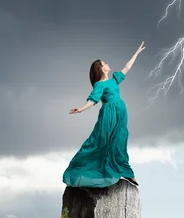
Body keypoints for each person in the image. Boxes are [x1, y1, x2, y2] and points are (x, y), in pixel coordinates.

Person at [62, 41, 146, 188]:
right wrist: (81, 108)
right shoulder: (99, 85)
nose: (107, 64)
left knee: (120, 139)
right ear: (100, 68)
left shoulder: (114, 80)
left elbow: (127, 67)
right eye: (104, 63)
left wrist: (136, 53)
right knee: (102, 141)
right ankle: (124, 172)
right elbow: (93, 100)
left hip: (120, 112)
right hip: (109, 115)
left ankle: (123, 169)